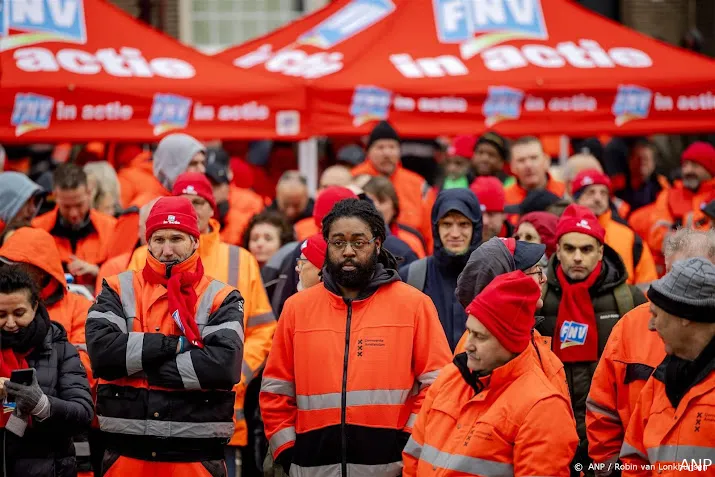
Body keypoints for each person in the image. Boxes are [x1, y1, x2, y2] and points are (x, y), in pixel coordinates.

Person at [260, 198, 452, 477]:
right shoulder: (296, 309)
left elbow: (438, 386)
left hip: (391, 470)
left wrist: (408, 443)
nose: (348, 251)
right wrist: (288, 451)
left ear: (377, 244)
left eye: (358, 242)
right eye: (338, 242)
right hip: (310, 469)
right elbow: (276, 391)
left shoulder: (414, 306)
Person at [126, 173, 275, 473]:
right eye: (185, 202)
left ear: (211, 208)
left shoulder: (240, 259)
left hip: (218, 406)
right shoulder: (144, 256)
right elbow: (134, 322)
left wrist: (236, 372)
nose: (192, 209)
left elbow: (262, 330)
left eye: (198, 202)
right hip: (153, 408)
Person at [86, 196, 245, 476]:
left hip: (196, 459)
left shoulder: (222, 297)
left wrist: (140, 364)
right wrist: (178, 345)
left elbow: (223, 366)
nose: (167, 250)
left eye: (176, 238)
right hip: (126, 456)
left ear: (195, 241)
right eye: (158, 239)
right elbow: (101, 354)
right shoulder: (117, 287)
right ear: (148, 242)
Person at [403, 271, 579, 477]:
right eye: (469, 332)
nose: (468, 345)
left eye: (480, 337)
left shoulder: (543, 408)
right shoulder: (450, 378)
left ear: (509, 342)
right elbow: (413, 459)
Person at [587, 228, 715, 476]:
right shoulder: (630, 327)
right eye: (677, 275)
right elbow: (602, 411)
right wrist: (611, 470)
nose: (683, 286)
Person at [538, 204, 647, 476]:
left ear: (600, 251)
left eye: (586, 249)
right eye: (569, 248)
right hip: (552, 432)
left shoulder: (629, 299)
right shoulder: (538, 300)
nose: (577, 257)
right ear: (557, 250)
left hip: (612, 436)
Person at [620, 257, 715, 475]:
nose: (650, 326)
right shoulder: (658, 382)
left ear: (686, 317)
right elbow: (635, 461)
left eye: (656, 314)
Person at [0, 266, 93, 477]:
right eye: (1, 315)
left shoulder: (60, 349)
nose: (11, 323)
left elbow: (83, 413)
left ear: (35, 306)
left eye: (19, 313)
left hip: (48, 466)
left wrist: (41, 404)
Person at [400, 189, 482, 351]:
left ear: (475, 228)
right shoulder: (412, 277)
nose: (455, 233)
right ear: (436, 228)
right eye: (447, 224)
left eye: (463, 224)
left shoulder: (494, 277)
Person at [105, 134, 207, 260]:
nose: (201, 169)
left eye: (203, 162)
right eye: (193, 163)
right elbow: (117, 262)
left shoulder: (200, 203)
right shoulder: (141, 208)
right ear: (172, 166)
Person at [630, 141, 715, 275]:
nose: (688, 170)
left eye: (695, 165)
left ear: (710, 169)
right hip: (674, 275)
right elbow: (656, 235)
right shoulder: (669, 195)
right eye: (685, 165)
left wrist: (678, 230)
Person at [351, 121, 432, 252]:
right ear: (368, 151)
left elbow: (430, 231)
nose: (387, 153)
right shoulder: (353, 180)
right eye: (380, 147)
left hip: (409, 253)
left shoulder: (418, 184)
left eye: (392, 147)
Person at [33, 164, 117, 288]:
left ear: (89, 193)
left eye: (79, 205)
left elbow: (123, 277)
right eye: (66, 206)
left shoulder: (111, 228)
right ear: (55, 196)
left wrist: (98, 272)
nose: (73, 213)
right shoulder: (37, 229)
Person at [572, 169, 658, 287]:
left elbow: (647, 284)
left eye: (603, 193)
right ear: (577, 198)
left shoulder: (629, 236)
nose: (598, 198)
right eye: (590, 192)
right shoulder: (564, 233)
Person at [205, 147, 265, 247]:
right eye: (206, 183)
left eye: (215, 184)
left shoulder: (251, 201)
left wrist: (227, 214)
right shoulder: (191, 200)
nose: (210, 189)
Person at [363, 176, 427, 258]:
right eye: (370, 201)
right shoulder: (354, 239)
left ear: (394, 207)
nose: (376, 206)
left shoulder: (411, 240)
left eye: (381, 200)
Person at [504, 136, 566, 209]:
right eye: (521, 160)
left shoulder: (564, 192)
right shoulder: (504, 199)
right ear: (512, 166)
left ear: (546, 161)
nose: (528, 165)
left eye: (534, 158)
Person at [0, 172, 45, 246]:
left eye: (35, 202)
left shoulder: (40, 238)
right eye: (26, 202)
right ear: (4, 204)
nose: (33, 209)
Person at [470, 176, 511, 240]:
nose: (484, 221)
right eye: (479, 214)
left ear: (504, 214)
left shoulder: (519, 241)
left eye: (491, 214)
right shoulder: (460, 244)